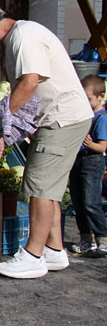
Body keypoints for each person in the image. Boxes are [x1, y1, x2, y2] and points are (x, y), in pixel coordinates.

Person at [0, 1, 92, 279]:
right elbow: (29, 94)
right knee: (49, 187)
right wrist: (5, 134)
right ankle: (54, 249)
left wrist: (1, 123)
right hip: (60, 118)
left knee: (39, 186)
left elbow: (30, 83)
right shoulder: (17, 40)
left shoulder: (24, 36)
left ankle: (33, 255)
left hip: (62, 118)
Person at [67, 74, 107, 255]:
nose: (86, 102)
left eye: (89, 98)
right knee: (79, 202)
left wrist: (90, 145)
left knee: (91, 202)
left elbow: (102, 147)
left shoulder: (101, 118)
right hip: (79, 160)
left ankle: (102, 238)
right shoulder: (84, 116)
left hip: (92, 161)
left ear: (101, 97)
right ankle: (86, 239)